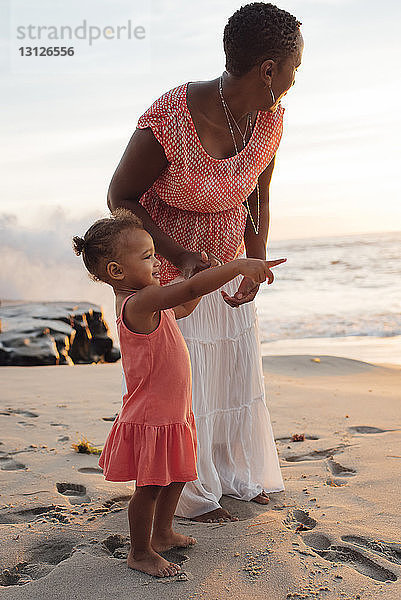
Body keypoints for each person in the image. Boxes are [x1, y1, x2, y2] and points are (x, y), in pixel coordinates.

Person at [107, 2, 303, 521]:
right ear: (268, 68)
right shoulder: (172, 115)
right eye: (292, 67)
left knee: (233, 376)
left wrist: (256, 262)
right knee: (184, 382)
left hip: (229, 258)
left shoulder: (271, 118)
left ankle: (233, 474)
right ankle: (190, 492)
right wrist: (177, 255)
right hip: (173, 267)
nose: (293, 78)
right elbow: (120, 195)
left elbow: (258, 191)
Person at [72, 209, 286, 577]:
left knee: (177, 476)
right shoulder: (137, 304)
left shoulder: (151, 300)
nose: (156, 262)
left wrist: (201, 277)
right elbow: (184, 291)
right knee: (150, 487)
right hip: (152, 414)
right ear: (116, 272)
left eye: (154, 253)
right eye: (147, 256)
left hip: (173, 410)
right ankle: (139, 551)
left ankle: (164, 532)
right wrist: (238, 265)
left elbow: (185, 303)